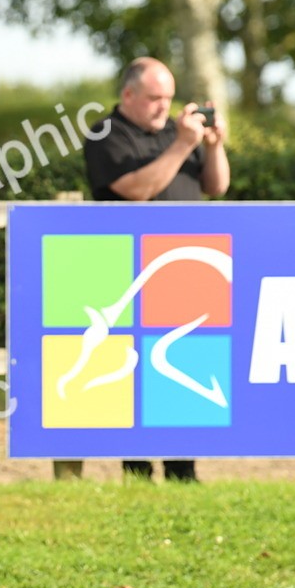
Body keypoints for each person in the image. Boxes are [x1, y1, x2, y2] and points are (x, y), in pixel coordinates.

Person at [81, 56, 230, 482]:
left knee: (183, 365)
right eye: (154, 98)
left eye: (168, 97)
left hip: (184, 267)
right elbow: (135, 190)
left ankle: (184, 470)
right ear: (128, 94)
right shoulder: (106, 134)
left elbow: (216, 186)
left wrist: (212, 146)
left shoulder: (176, 131)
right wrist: (182, 144)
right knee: (133, 371)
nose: (164, 106)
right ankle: (138, 470)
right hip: (128, 272)